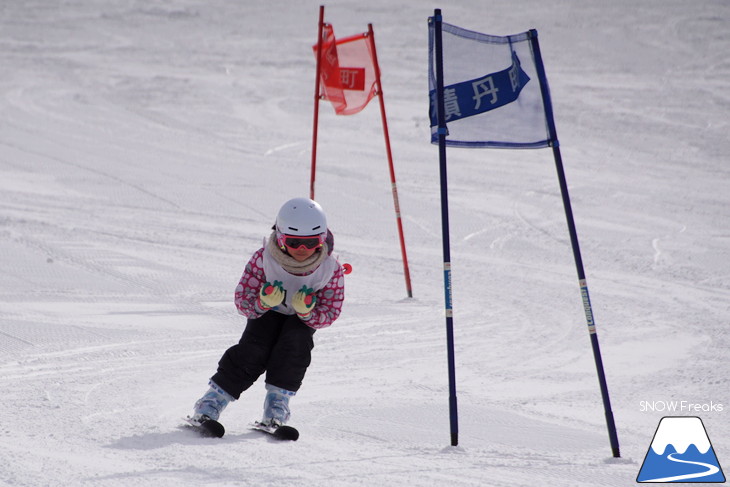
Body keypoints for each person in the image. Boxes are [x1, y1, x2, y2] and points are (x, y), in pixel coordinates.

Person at [190, 197, 345, 429]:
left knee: (295, 349)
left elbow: (331, 311)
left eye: (311, 242)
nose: (302, 250)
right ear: (280, 237)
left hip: (301, 319)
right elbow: (242, 301)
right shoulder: (264, 259)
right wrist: (262, 302)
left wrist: (308, 313)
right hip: (266, 313)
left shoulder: (329, 268)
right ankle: (210, 403)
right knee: (252, 351)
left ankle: (276, 407)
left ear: (322, 239)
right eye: (293, 242)